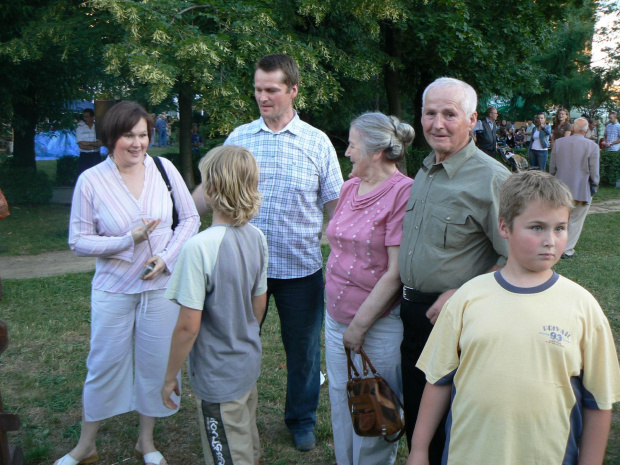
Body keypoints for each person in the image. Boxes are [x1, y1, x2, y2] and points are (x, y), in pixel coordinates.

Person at [407, 170, 620, 465]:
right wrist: (419, 450)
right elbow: (438, 380)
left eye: (560, 228)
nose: (550, 240)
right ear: (505, 226)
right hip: (467, 455)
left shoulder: (583, 307)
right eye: (536, 227)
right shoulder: (467, 298)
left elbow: (599, 401)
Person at [192, 53, 343, 451]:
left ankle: (302, 419)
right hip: (240, 270)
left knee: (305, 352)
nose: (263, 97)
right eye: (258, 89)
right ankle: (239, 415)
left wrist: (350, 252)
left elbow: (336, 210)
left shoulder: (317, 142)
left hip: (301, 270)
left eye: (271, 89)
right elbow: (209, 193)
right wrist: (172, 209)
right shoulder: (239, 137)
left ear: (293, 90)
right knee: (237, 344)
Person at [57, 101, 200, 465]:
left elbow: (190, 220)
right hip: (113, 289)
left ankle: (146, 442)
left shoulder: (164, 169)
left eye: (143, 135)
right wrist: (128, 241)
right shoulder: (91, 180)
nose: (137, 144)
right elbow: (78, 240)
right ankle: (85, 446)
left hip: (160, 288)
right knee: (103, 364)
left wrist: (166, 257)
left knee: (155, 363)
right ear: (109, 138)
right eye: (128, 136)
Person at [398, 77, 510, 464]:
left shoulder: (492, 179)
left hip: (458, 321)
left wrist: (462, 294)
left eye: (450, 114)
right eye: (431, 113)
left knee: (452, 431)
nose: (438, 123)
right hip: (413, 317)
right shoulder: (426, 169)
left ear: (473, 119)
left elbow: (517, 259)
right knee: (418, 423)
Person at [163, 145, 267, 465]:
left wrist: (169, 377)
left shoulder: (198, 248)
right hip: (246, 362)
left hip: (218, 377)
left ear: (210, 189)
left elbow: (187, 326)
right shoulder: (257, 237)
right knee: (245, 437)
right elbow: (259, 302)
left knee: (228, 453)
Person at [325, 112, 414, 465]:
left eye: (352, 145)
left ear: (376, 152)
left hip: (376, 326)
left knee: (376, 408)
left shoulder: (402, 193)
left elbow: (396, 272)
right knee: (342, 402)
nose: (346, 152)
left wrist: (359, 326)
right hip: (335, 321)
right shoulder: (349, 187)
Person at [550, 117, 600, 259]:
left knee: (559, 219)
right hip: (581, 190)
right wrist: (595, 186)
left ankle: (555, 245)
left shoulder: (559, 143)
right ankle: (567, 249)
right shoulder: (592, 146)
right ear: (586, 130)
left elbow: (552, 168)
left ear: (572, 129)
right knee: (575, 220)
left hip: (559, 189)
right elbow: (594, 172)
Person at [76, 108, 101, 175]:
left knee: (97, 176)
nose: (85, 118)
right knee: (84, 176)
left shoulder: (98, 127)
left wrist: (87, 143)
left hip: (96, 156)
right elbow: (81, 145)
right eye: (84, 116)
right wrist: (94, 146)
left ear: (93, 117)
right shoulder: (80, 127)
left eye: (87, 117)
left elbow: (101, 143)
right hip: (84, 156)